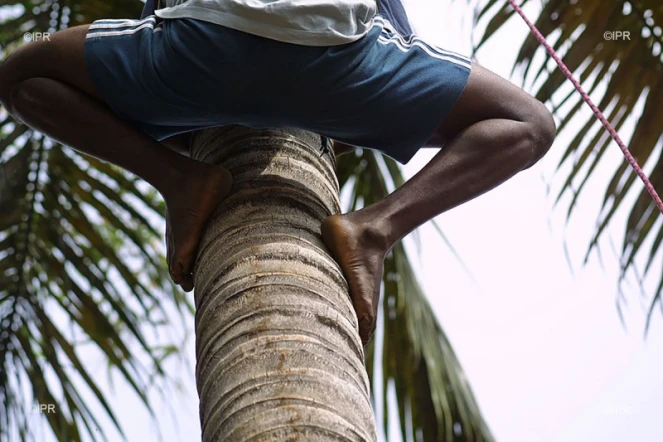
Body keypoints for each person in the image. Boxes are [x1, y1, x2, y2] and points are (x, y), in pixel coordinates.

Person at [0, 0, 556, 344]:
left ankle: (178, 179)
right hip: (342, 64)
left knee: (22, 73)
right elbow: (395, 21)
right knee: (528, 122)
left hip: (203, 52)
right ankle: (375, 227)